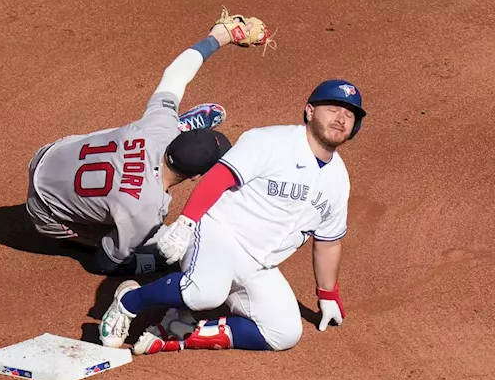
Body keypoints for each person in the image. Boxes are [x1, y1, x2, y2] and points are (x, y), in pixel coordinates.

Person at [99, 78, 368, 354]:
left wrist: (327, 295)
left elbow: (328, 241)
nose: (341, 118)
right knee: (205, 292)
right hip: (219, 233)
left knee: (285, 332)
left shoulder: (339, 180)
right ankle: (129, 301)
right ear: (310, 111)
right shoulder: (271, 141)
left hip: (260, 263)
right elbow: (219, 177)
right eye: (333, 109)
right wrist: (186, 223)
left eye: (349, 115)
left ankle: (182, 331)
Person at [25, 23, 239, 276]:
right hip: (45, 211)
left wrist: (217, 38)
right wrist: (156, 264)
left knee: (140, 132)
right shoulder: (146, 211)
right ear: (195, 176)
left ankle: (179, 126)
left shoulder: (157, 127)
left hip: (47, 154)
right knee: (163, 250)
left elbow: (175, 74)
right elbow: (104, 262)